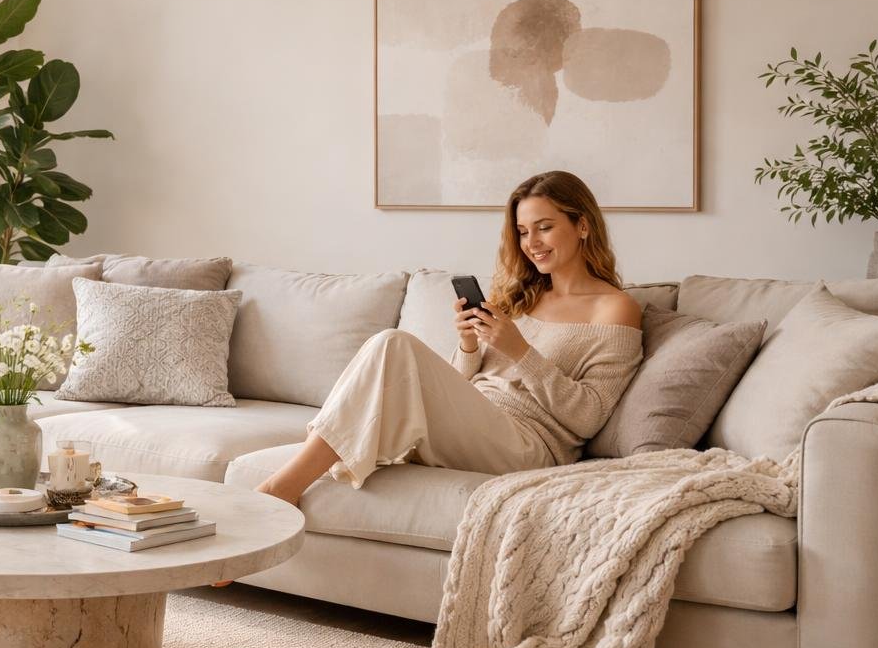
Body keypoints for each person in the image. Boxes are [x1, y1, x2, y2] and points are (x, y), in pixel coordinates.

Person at [256, 170, 644, 507]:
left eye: (545, 227)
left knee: (393, 344)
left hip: (527, 447)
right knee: (389, 351)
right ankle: (286, 484)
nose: (532, 243)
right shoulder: (521, 297)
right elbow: (461, 384)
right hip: (473, 423)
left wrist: (519, 351)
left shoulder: (614, 309)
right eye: (523, 232)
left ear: (582, 225)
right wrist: (469, 345)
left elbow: (590, 416)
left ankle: (281, 486)